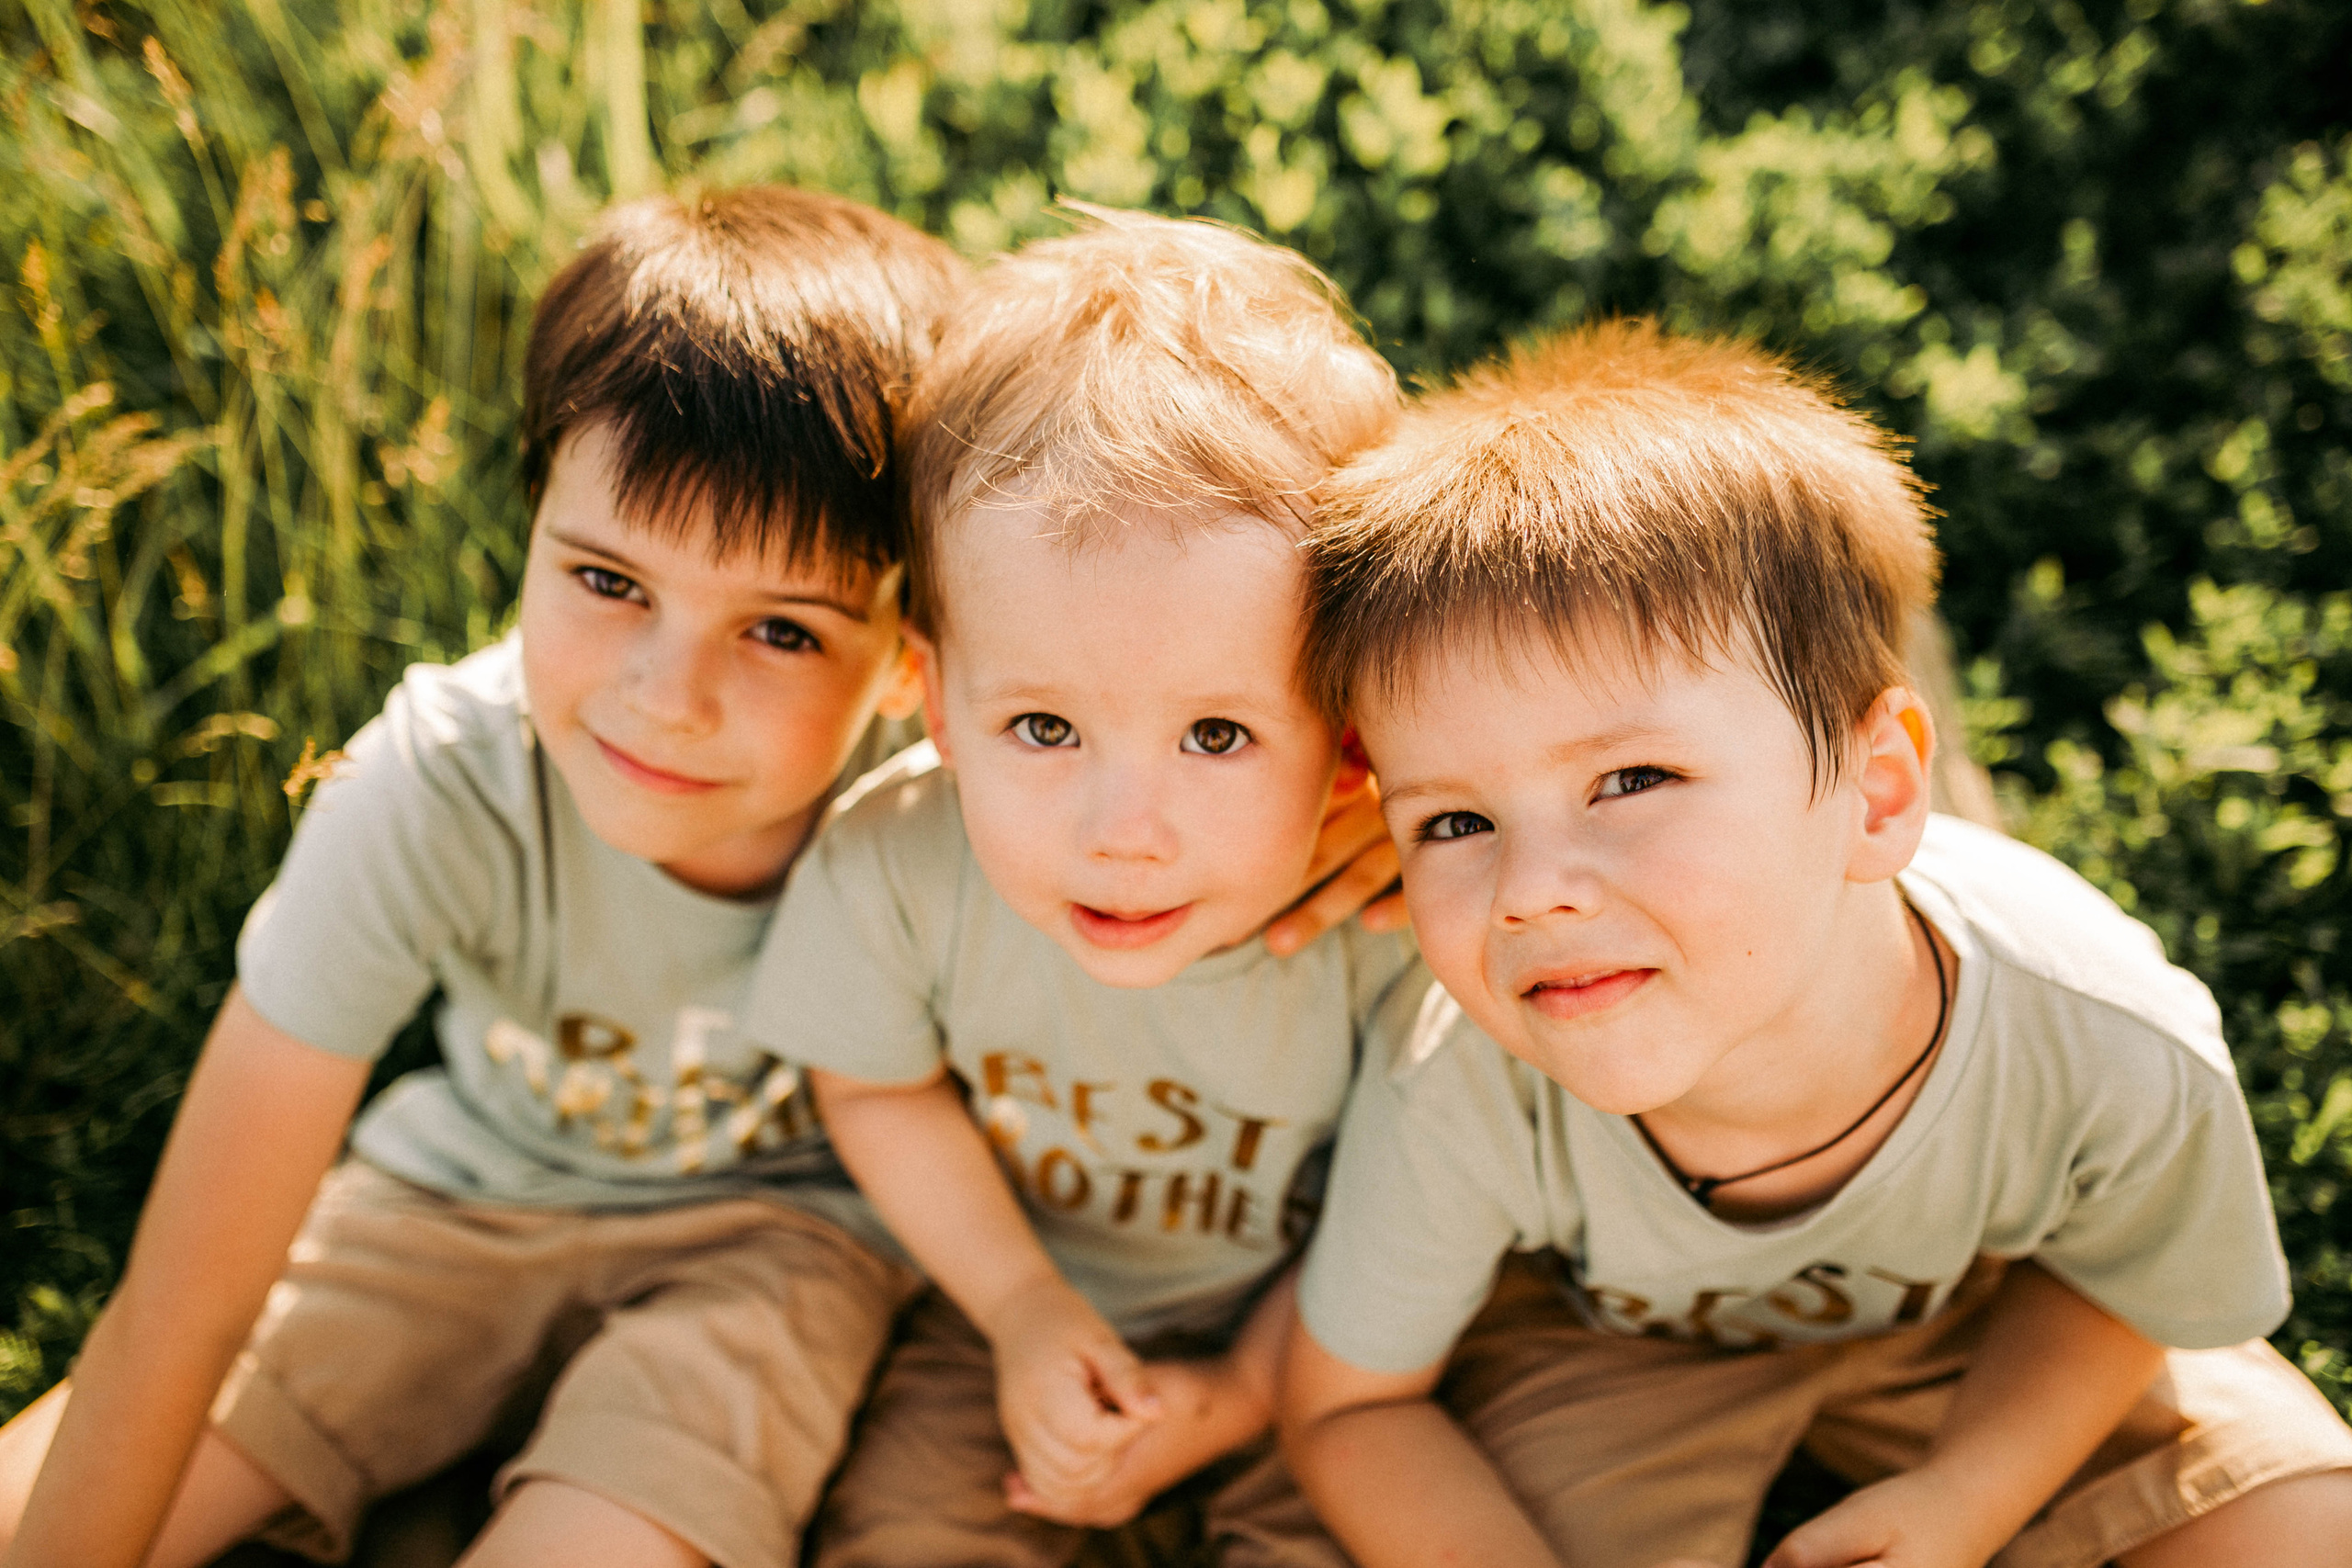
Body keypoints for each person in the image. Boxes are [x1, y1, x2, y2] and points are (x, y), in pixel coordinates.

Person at [0, 186, 971, 1568]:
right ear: (530, 532)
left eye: (779, 629)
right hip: (460, 1190)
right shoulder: (436, 779)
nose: (668, 696)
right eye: (609, 581)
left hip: (778, 1244)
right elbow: (182, 1303)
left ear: (904, 660)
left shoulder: (945, 812)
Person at [1277, 320, 2352, 1568]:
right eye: (1455, 818)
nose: (1532, 891)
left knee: (2304, 1529)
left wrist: (1969, 1500)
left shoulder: (2102, 1034)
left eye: (1630, 779)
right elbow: (1352, 1405)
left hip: (1980, 1321)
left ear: (1881, 793)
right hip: (1608, 1356)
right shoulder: (1464, 1079)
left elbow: (2133, 1283)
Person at [743, 207, 1422, 1568]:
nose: (1126, 834)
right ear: (934, 699)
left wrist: (1239, 1399)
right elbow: (875, 1084)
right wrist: (1022, 1311)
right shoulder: (901, 866)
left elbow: (1402, 1221)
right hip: (992, 1305)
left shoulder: (1389, 923)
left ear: (1351, 726)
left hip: (1325, 1350)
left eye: (1218, 736)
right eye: (1044, 730)